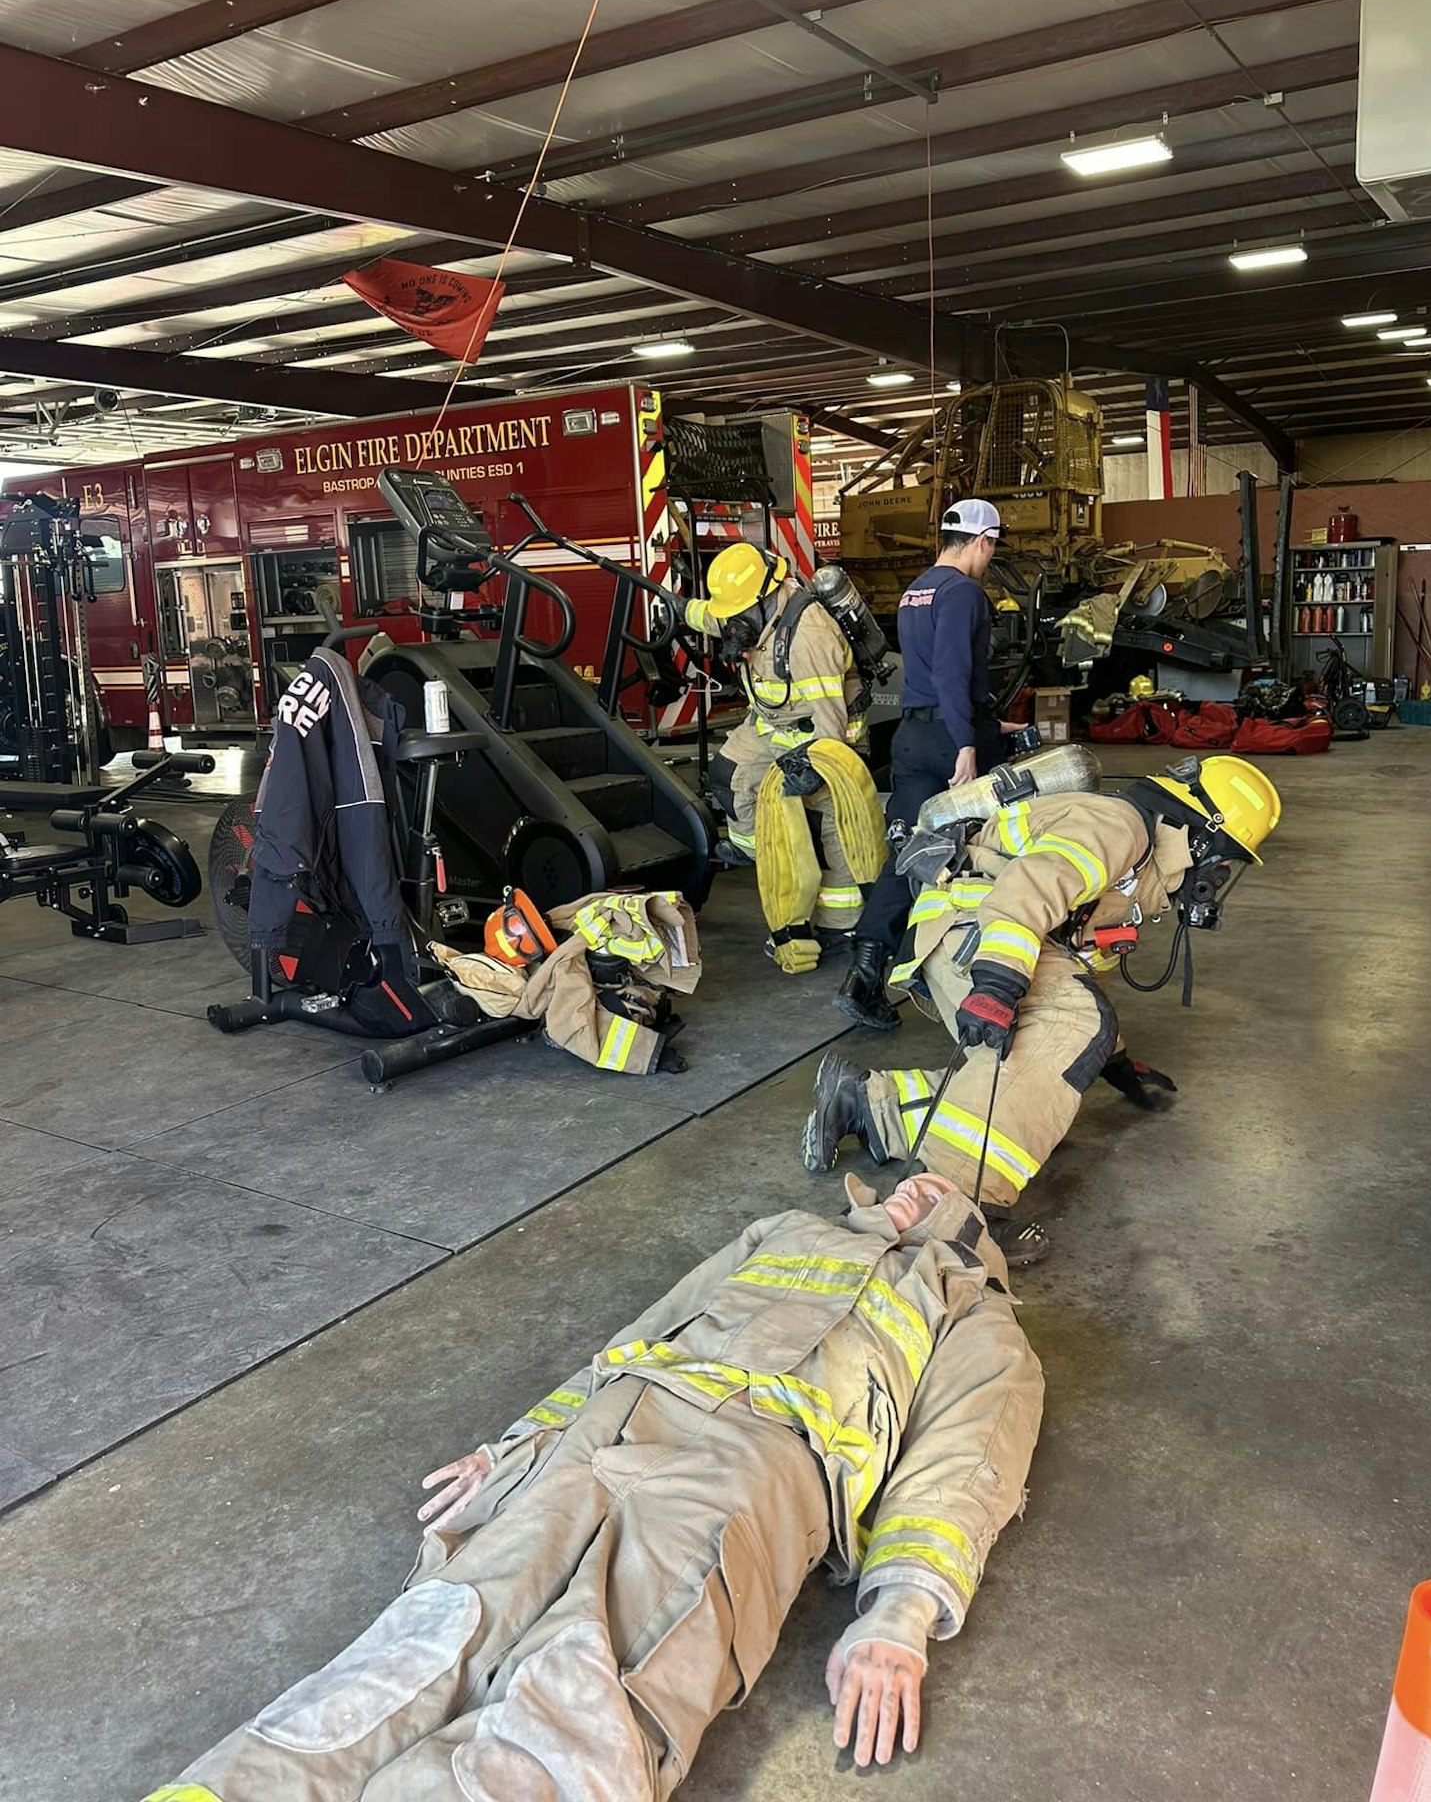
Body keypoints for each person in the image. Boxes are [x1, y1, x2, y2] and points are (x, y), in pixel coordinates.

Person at [144, 1173, 1043, 1802]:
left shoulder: (970, 1310)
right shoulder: (787, 1231)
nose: (907, 1187)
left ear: (966, 1227)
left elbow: (962, 1465)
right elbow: (643, 1330)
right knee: (435, 1631)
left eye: (932, 1189)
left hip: (752, 1469)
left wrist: (901, 1617)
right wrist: (516, 1446)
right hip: (612, 1420)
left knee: (586, 1695)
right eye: (904, 1181)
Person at [806, 754, 1282, 1265]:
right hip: (978, 932)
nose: (1220, 876)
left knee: (1047, 1087)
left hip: (974, 931)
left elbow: (1080, 974)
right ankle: (947, 1205)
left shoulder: (1141, 869)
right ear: (1202, 836)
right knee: (1065, 1034)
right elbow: (1029, 889)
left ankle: (870, 1102)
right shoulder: (1118, 825)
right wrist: (998, 982)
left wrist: (1113, 1060)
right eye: (1226, 860)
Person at [838, 497, 1029, 1032]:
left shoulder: (915, 590)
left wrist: (987, 726)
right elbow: (951, 671)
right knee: (977, 852)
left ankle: (864, 976)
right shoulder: (964, 592)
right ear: (982, 542)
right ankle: (956, 972)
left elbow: (929, 677)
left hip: (913, 736)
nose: (990, 558)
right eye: (991, 548)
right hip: (951, 742)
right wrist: (968, 741)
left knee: (909, 852)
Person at [685, 542, 879, 971]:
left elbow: (831, 717)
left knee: (831, 825)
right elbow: (709, 615)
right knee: (729, 776)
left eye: (738, 615)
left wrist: (819, 769)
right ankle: (770, 858)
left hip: (824, 736)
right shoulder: (748, 612)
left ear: (766, 598)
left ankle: (841, 926)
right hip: (774, 725)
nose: (732, 625)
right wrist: (678, 609)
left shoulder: (809, 635)